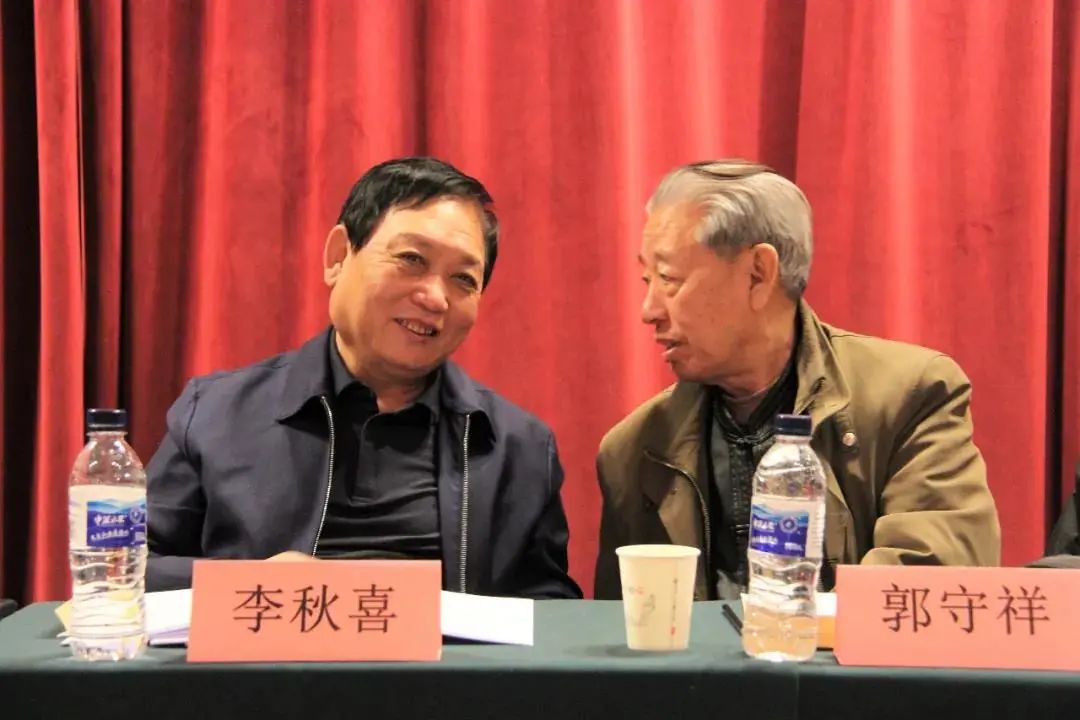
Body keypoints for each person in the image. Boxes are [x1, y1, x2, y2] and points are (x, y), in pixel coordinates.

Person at [147, 156, 581, 599]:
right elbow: (129, 572)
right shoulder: (215, 415)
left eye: (463, 280)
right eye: (412, 259)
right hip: (268, 643)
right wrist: (253, 585)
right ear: (338, 256)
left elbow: (550, 609)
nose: (435, 297)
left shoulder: (519, 449)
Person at [594, 159, 1000, 600]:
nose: (649, 310)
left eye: (669, 279)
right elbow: (625, 627)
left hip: (844, 650)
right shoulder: (636, 451)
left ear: (758, 273)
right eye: (647, 280)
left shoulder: (910, 397)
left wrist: (791, 628)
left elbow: (930, 588)